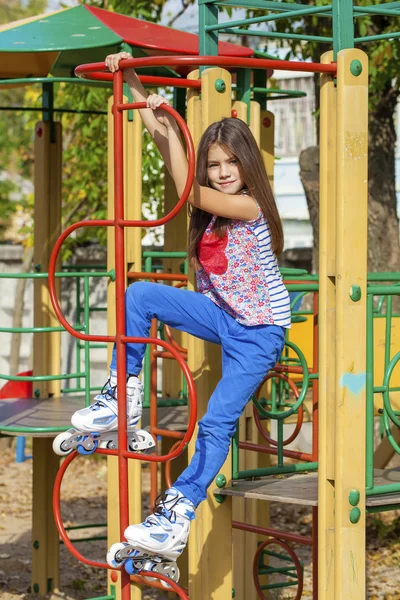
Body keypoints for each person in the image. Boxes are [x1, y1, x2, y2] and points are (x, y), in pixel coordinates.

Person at [75, 52, 291, 578]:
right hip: (222, 314)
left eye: (229, 165)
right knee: (141, 296)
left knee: (215, 422)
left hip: (259, 332)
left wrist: (173, 124)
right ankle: (123, 399)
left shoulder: (249, 206)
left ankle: (178, 510)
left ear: (247, 167)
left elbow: (185, 188)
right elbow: (160, 140)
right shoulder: (217, 201)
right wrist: (130, 80)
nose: (221, 174)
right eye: (213, 165)